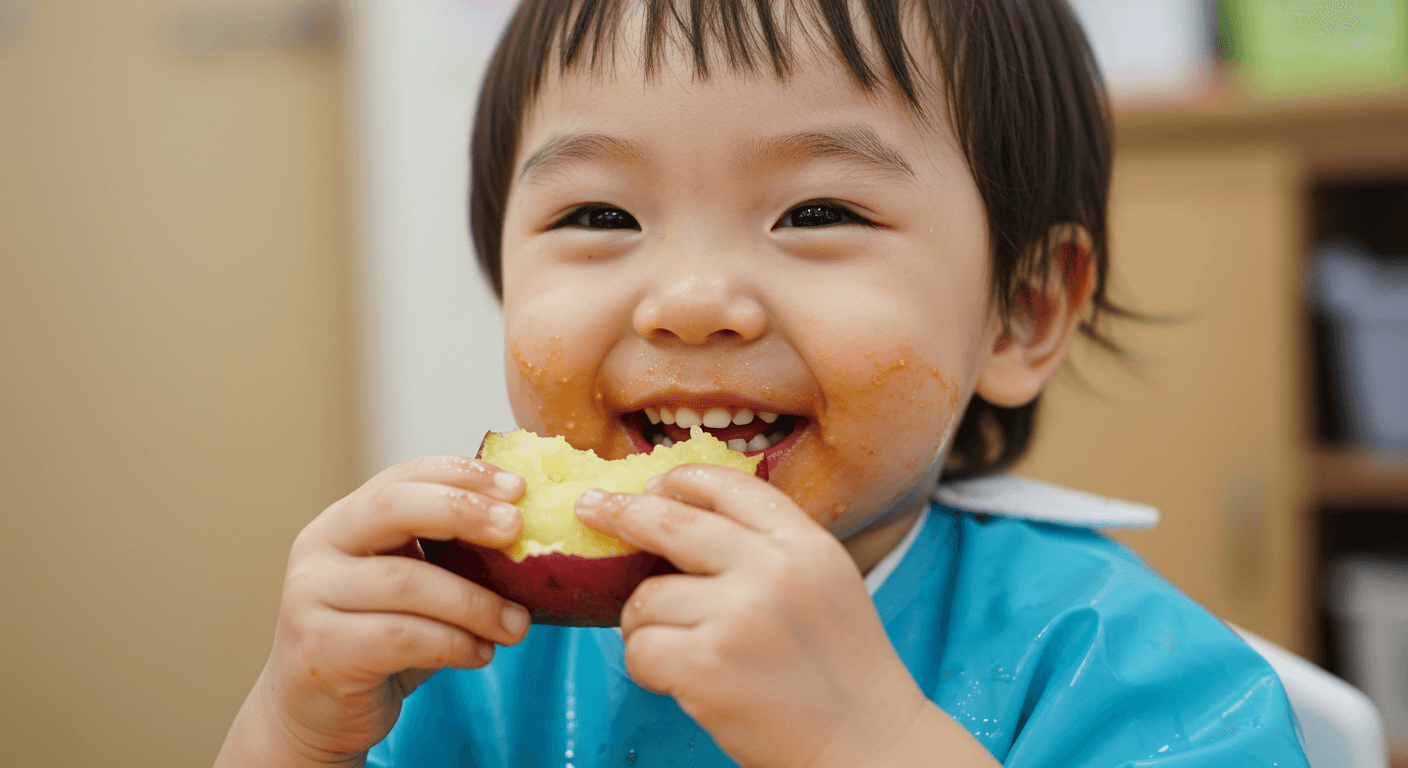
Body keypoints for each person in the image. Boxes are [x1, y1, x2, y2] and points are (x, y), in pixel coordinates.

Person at [216, 0, 1312, 765]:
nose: (690, 301)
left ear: (1022, 311)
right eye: (599, 216)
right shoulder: (462, 658)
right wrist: (293, 733)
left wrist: (865, 745)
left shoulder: (1125, 672)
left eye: (817, 213)